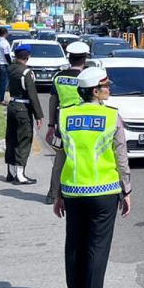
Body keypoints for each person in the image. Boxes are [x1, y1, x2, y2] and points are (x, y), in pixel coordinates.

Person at [49, 67, 131, 288]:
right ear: (95, 91)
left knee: (74, 244)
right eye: (106, 85)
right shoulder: (111, 117)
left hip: (72, 189)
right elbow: (121, 156)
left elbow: (60, 156)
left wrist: (57, 193)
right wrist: (126, 190)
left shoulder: (66, 116)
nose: (109, 89)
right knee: (98, 248)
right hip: (104, 191)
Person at [46, 40, 91, 204]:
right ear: (85, 58)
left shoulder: (59, 77)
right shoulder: (88, 77)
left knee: (60, 159)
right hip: (85, 124)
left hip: (63, 124)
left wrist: (51, 125)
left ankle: (52, 194)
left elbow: (53, 101)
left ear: (69, 58)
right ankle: (82, 192)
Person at [5, 43, 44, 185]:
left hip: (12, 105)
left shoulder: (11, 69)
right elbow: (32, 95)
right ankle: (20, 175)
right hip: (23, 107)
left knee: (11, 138)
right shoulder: (27, 73)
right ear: (28, 56)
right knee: (24, 140)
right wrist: (38, 115)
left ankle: (11, 171)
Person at [0, 26, 12, 104]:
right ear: (5, 33)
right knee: (3, 82)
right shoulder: (4, 42)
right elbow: (7, 55)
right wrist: (11, 63)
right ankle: (1, 99)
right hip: (3, 63)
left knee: (1, 81)